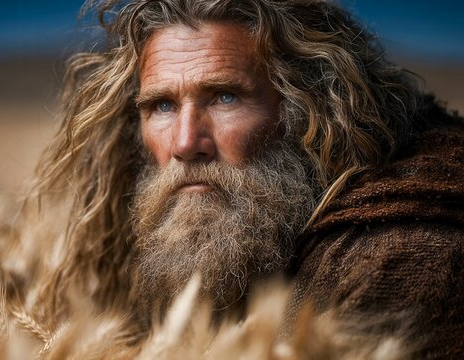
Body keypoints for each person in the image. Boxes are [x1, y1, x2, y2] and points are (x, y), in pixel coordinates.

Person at [31, 0, 463, 357]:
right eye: (162, 105)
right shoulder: (173, 261)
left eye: (224, 97)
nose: (185, 142)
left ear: (307, 110)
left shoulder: (402, 256)